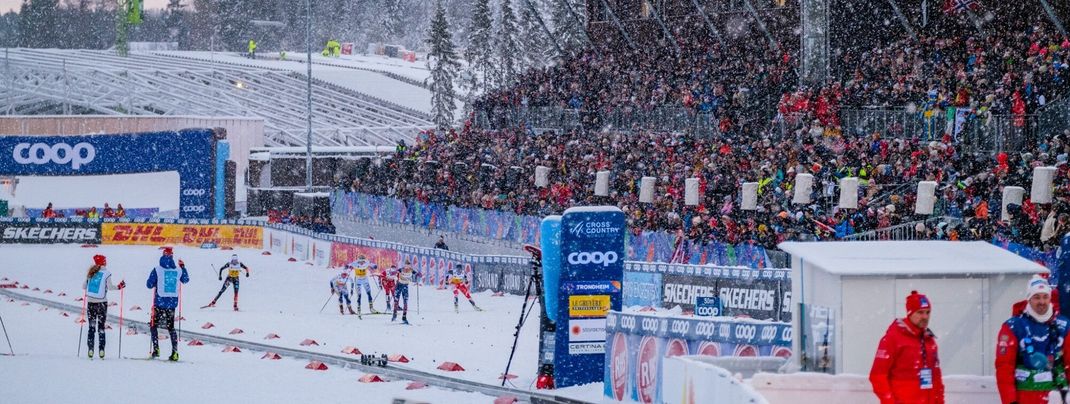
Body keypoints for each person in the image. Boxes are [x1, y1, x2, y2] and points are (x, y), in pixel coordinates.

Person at [996, 275, 1070, 404]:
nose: (1041, 301)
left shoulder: (1063, 325)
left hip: (1056, 397)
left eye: (1045, 296)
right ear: (1029, 299)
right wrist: (1010, 401)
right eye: (1036, 297)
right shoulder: (1013, 326)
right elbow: (1004, 367)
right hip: (1024, 398)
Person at [869, 290, 944, 404]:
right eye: (920, 312)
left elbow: (936, 377)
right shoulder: (892, 339)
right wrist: (890, 401)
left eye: (928, 312)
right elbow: (877, 376)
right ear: (910, 313)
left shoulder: (930, 341)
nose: (925, 316)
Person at [145, 247, 189, 361]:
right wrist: (183, 267)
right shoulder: (178, 270)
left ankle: (156, 349)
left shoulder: (157, 269)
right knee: (171, 327)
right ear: (172, 256)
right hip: (172, 303)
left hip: (159, 302)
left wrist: (155, 282)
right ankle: (175, 352)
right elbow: (185, 279)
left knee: (153, 325)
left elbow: (149, 285)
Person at [83, 254, 125, 359]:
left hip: (91, 303)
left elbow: (84, 286)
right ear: (103, 262)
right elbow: (110, 287)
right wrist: (119, 287)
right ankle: (101, 350)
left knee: (91, 327)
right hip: (102, 303)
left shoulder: (91, 272)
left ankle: (90, 350)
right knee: (101, 327)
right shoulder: (106, 273)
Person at [392, 260, 420, 324]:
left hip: (405, 286)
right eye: (406, 265)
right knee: (396, 301)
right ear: (404, 265)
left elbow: (417, 274)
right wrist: (394, 273)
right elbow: (395, 272)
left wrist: (418, 275)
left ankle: (404, 317)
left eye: (408, 265)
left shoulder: (411, 270)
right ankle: (394, 314)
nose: (407, 267)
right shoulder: (401, 269)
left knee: (405, 301)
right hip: (399, 285)